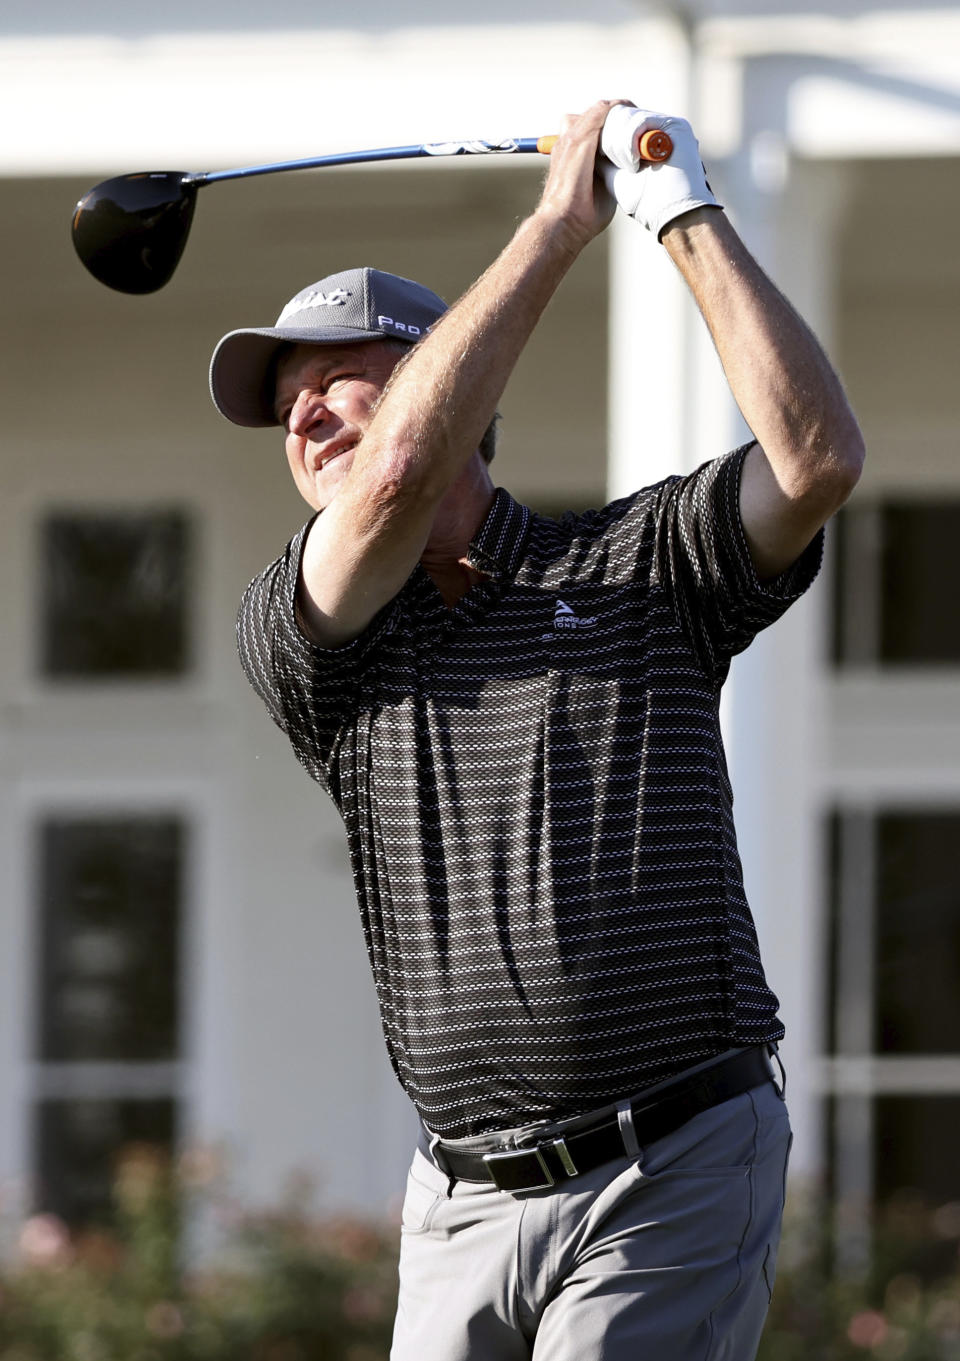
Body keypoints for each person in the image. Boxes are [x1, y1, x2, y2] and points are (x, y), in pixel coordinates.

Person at [209, 100, 864, 1360]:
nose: (300, 420)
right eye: (284, 406)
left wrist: (676, 206)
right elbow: (396, 480)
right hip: (456, 1202)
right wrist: (559, 224)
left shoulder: (637, 564)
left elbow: (817, 455)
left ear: (447, 376)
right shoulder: (308, 635)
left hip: (670, 1160)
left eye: (330, 382)